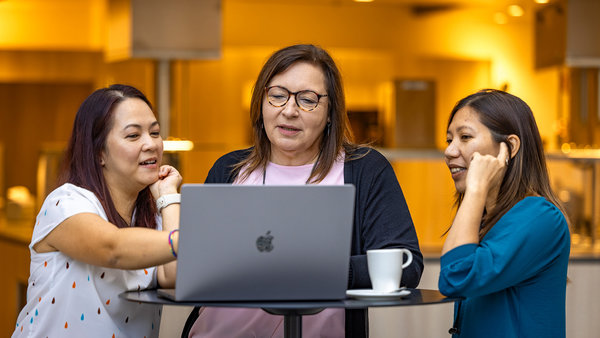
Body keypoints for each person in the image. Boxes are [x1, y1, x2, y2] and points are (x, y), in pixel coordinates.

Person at [180, 44, 423, 338]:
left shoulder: (365, 170)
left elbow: (407, 265)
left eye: (307, 100)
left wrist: (320, 272)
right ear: (261, 102)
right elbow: (196, 263)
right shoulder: (229, 168)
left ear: (331, 111)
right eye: (278, 96)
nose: (289, 111)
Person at [12, 84, 182, 338]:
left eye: (155, 132)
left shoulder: (152, 217)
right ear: (99, 153)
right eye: (133, 136)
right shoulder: (65, 203)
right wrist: (191, 241)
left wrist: (168, 197)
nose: (151, 144)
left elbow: (175, 274)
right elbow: (112, 248)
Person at [438, 89, 571, 337]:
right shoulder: (486, 219)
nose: (450, 151)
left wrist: (477, 188)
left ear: (509, 147)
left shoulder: (540, 217)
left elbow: (455, 278)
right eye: (449, 140)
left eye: (465, 137)